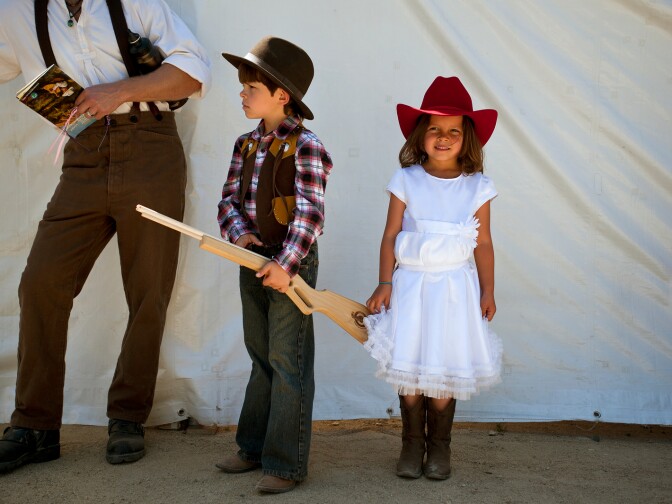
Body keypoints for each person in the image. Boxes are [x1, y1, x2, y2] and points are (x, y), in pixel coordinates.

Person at [0, 0, 211, 474]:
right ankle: (34, 425)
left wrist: (117, 91)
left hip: (151, 147)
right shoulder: (16, 14)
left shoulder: (135, 2)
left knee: (148, 289)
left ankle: (127, 417)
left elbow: (193, 74)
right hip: (83, 154)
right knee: (41, 282)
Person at [364, 76, 502, 480]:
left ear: (467, 137)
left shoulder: (478, 187)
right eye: (435, 129)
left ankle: (439, 448)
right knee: (410, 366)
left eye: (453, 131)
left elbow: (485, 244)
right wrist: (385, 282)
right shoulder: (406, 179)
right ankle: (411, 445)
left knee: (442, 366)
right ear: (421, 134)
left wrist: (488, 289)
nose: (443, 138)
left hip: (455, 290)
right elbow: (390, 234)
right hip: (410, 287)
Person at [216, 36, 332, 494]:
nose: (242, 93)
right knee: (260, 354)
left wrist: (285, 265)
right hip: (252, 258)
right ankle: (252, 447)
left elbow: (310, 214)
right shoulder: (245, 144)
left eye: (251, 87)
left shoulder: (306, 145)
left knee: (288, 360)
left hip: (291, 264)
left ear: (282, 95)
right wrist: (241, 236)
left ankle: (285, 463)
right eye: (242, 86)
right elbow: (229, 199)